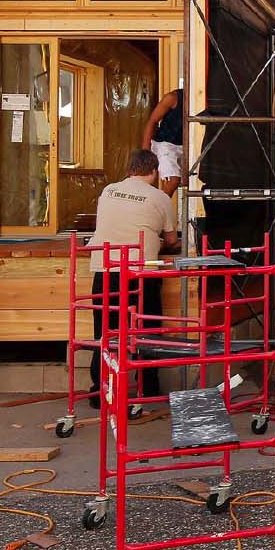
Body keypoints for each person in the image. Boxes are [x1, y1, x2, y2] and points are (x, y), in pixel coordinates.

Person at [87, 149, 180, 405]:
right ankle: (148, 390)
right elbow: (171, 240)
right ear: (154, 170)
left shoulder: (108, 191)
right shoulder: (160, 197)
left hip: (105, 270)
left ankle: (101, 390)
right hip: (141, 272)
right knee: (146, 331)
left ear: (129, 169)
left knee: (105, 332)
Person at [141, 87, 184, 198]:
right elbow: (153, 121)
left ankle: (158, 207)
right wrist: (145, 151)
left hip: (185, 145)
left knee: (184, 180)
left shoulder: (201, 99)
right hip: (165, 144)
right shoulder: (172, 98)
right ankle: (156, 210)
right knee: (173, 180)